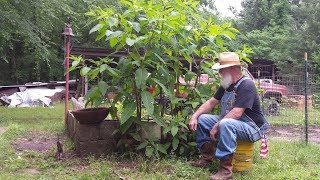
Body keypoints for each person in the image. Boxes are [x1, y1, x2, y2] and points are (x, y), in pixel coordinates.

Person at [189, 52, 269, 180]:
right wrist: (195, 116)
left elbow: (237, 113)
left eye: (222, 70)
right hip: (235, 122)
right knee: (202, 119)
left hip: (253, 128)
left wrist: (217, 125)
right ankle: (206, 159)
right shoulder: (226, 84)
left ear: (232, 68)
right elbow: (211, 102)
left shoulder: (246, 85)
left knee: (225, 123)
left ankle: (225, 171)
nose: (219, 73)